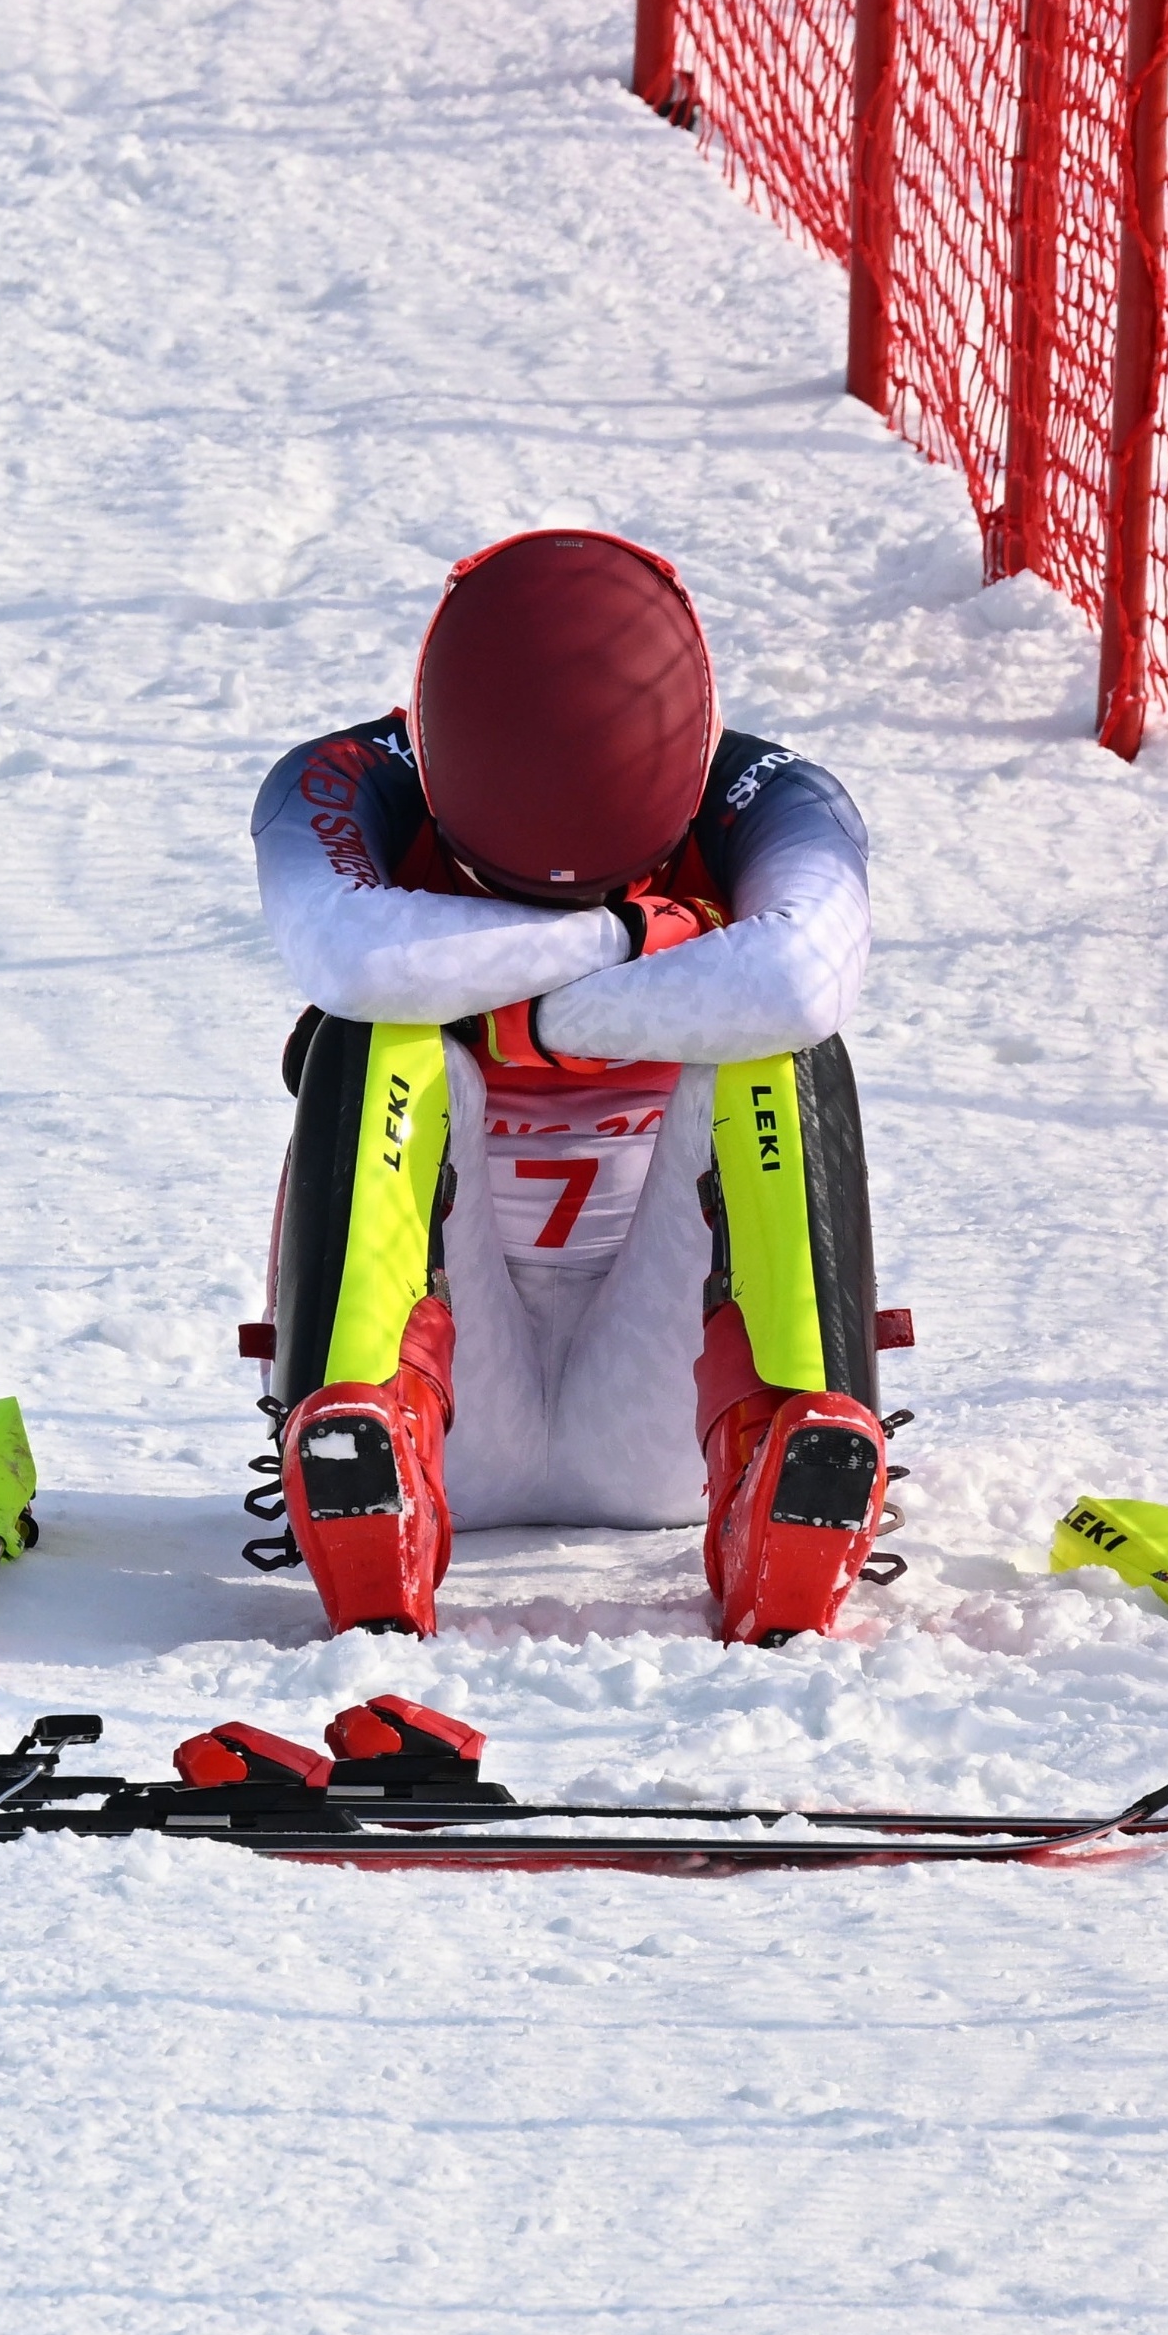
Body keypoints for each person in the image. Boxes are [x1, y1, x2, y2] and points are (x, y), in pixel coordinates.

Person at [240, 527, 892, 1644]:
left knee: (779, 1049)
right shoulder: (339, 781)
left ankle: (784, 1458)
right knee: (380, 1034)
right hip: (449, 1391)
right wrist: (642, 934)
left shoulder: (777, 797)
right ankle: (366, 1457)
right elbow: (357, 957)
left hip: (665, 1392)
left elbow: (797, 978)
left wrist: (506, 998)